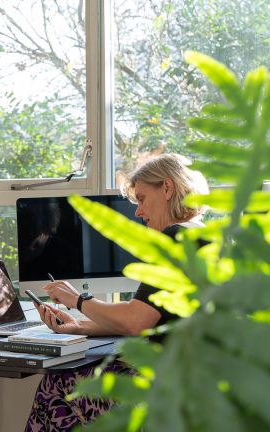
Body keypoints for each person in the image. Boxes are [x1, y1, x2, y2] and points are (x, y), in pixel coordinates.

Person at [25, 153, 209, 431]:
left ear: (168, 188)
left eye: (143, 199)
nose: (138, 212)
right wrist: (79, 326)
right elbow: (154, 320)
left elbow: (136, 320)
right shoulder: (208, 235)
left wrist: (77, 300)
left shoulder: (175, 238)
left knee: (58, 382)